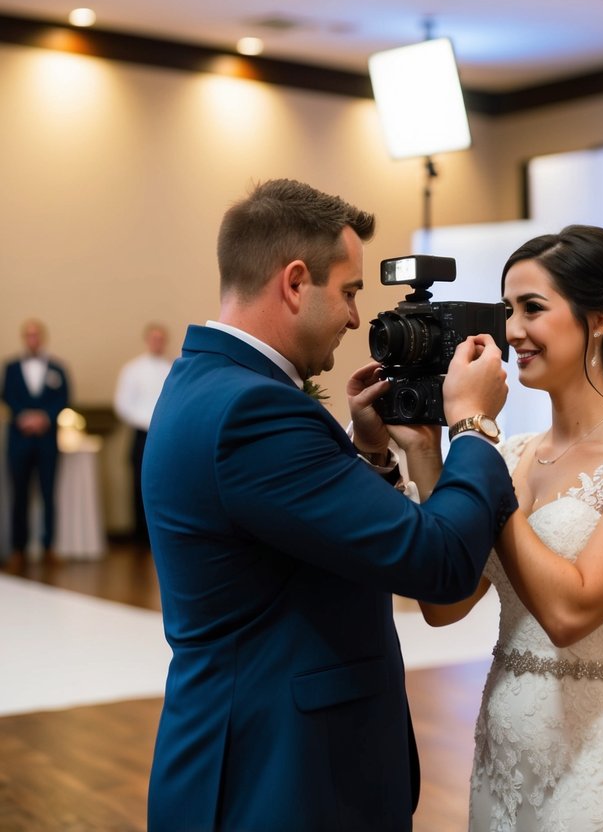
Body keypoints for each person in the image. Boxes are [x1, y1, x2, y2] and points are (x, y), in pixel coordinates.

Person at [141, 178, 518, 832]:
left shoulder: (204, 381)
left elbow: (301, 541)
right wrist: (473, 427)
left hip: (249, 751)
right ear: (293, 281)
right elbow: (438, 562)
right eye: (348, 291)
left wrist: (367, 455)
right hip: (281, 775)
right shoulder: (255, 411)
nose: (354, 319)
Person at [417, 226, 603, 832]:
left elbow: (569, 614)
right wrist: (424, 451)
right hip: (503, 758)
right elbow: (444, 605)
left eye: (533, 309)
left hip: (601, 766)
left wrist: (475, 447)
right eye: (508, 310)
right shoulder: (511, 453)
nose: (513, 331)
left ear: (598, 319)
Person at [2, 318, 72, 574]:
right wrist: (25, 417)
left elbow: (64, 398)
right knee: (19, 494)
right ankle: (18, 549)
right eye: (28, 335)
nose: (33, 339)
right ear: (24, 338)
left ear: (42, 337)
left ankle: (48, 546)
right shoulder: (10, 367)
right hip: (19, 440)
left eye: (36, 335)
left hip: (46, 442)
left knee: (48, 493)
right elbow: (7, 395)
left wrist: (45, 417)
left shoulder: (57, 368)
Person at [114, 323, 173, 548]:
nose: (157, 342)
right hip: (142, 434)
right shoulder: (133, 369)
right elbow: (122, 405)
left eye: (161, 338)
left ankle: (163, 535)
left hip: (167, 435)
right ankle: (141, 537)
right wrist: (149, 422)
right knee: (139, 485)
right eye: (154, 338)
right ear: (147, 340)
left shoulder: (173, 366)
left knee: (166, 484)